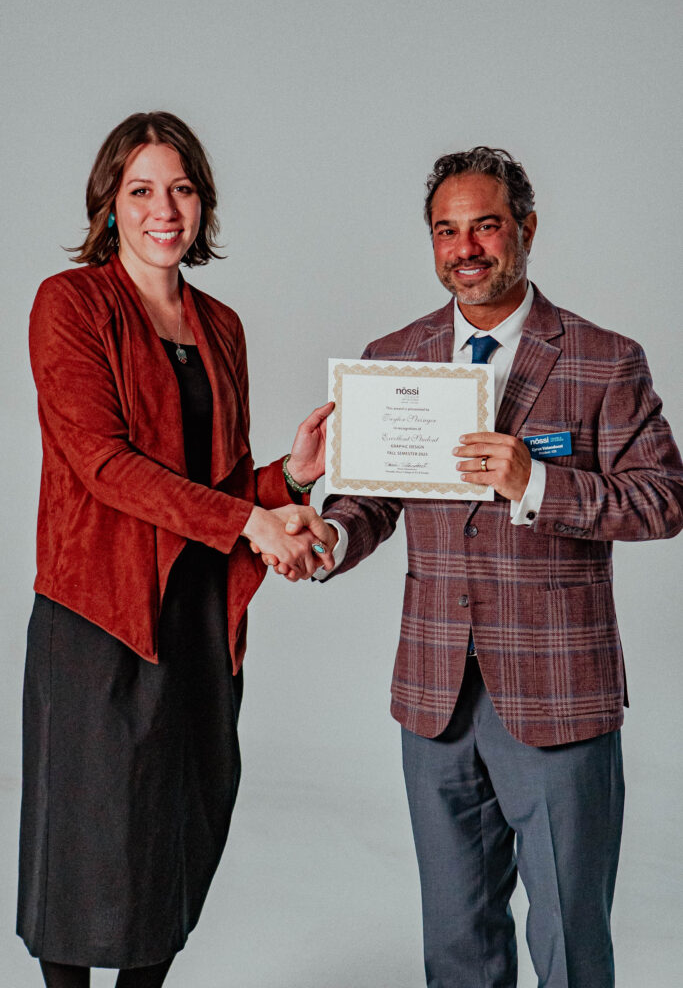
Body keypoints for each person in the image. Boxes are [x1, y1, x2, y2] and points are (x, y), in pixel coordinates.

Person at [263, 147, 683, 986]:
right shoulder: (395, 355)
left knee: (569, 940)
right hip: (435, 695)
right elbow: (371, 501)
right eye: (445, 231)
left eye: (484, 226)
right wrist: (328, 537)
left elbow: (663, 500)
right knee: (456, 940)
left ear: (525, 229)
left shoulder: (603, 359)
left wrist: (538, 485)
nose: (465, 248)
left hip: (558, 693)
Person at [18, 111, 335, 988]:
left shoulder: (220, 324)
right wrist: (251, 522)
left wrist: (288, 480)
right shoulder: (70, 303)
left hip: (199, 616)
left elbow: (219, 483)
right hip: (102, 614)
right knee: (86, 848)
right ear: (109, 203)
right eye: (142, 190)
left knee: (182, 830)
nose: (165, 209)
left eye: (182, 188)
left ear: (204, 204)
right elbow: (103, 463)